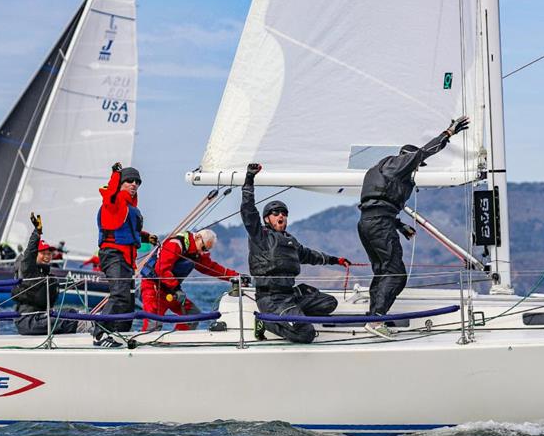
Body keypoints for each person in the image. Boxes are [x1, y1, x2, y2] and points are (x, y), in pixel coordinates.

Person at [357, 116, 470, 338]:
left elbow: (377, 204)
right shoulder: (399, 163)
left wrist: (399, 226)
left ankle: (373, 318)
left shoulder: (380, 169)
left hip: (368, 223)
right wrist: (448, 133)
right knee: (396, 274)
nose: (417, 168)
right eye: (416, 165)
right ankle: (377, 317)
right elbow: (423, 153)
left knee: (382, 273)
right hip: (379, 225)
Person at [242, 163, 350, 344]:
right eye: (275, 213)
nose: (280, 215)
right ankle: (265, 320)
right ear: (267, 218)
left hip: (290, 294)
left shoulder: (290, 240)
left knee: (329, 303)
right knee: (306, 334)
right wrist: (249, 179)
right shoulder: (259, 235)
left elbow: (309, 255)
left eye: (283, 212)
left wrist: (336, 260)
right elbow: (248, 210)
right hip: (271, 298)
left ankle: (292, 316)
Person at [94, 162, 156, 347]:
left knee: (128, 297)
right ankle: (101, 334)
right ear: (120, 183)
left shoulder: (130, 207)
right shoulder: (113, 201)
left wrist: (147, 238)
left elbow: (126, 231)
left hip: (126, 258)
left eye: (137, 181)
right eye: (129, 180)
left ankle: (121, 332)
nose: (134, 184)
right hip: (113, 255)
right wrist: (115, 174)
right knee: (120, 294)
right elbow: (111, 195)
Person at [140, 229, 248, 331]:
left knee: (193, 314)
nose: (203, 252)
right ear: (197, 237)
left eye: (206, 250)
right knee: (153, 322)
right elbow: (162, 270)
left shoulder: (196, 253)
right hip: (154, 287)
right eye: (203, 248)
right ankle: (145, 347)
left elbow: (211, 268)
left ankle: (177, 341)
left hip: (170, 290)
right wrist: (176, 288)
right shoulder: (175, 244)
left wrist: (236, 276)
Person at [11, 213, 80, 335]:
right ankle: (90, 330)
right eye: (43, 253)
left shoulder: (44, 273)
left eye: (49, 253)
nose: (47, 256)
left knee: (71, 312)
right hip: (28, 321)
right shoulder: (28, 269)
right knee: (69, 320)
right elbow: (29, 254)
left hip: (40, 317)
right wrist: (37, 233)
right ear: (35, 255)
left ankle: (88, 326)